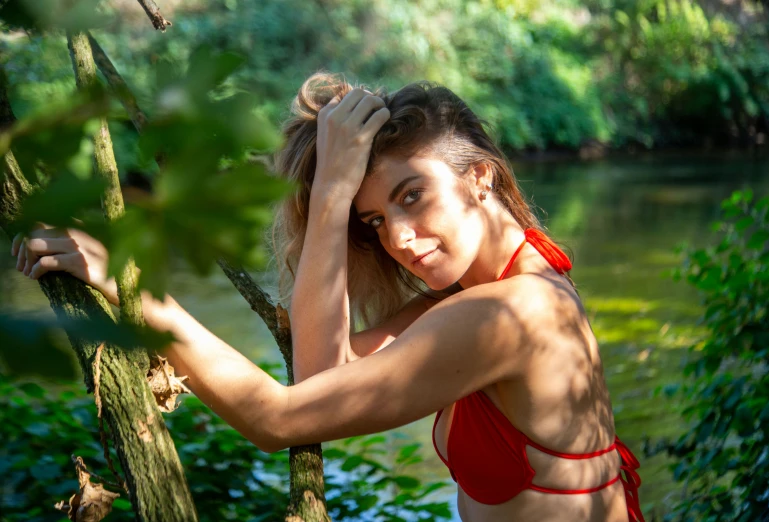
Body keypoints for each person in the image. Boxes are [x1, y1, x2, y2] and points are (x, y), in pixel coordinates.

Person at [11, 72, 645, 522]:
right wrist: (330, 195)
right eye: (372, 221)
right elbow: (321, 378)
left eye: (411, 196)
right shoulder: (490, 290)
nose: (397, 239)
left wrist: (136, 290)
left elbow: (279, 418)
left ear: (479, 176)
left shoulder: (513, 313)